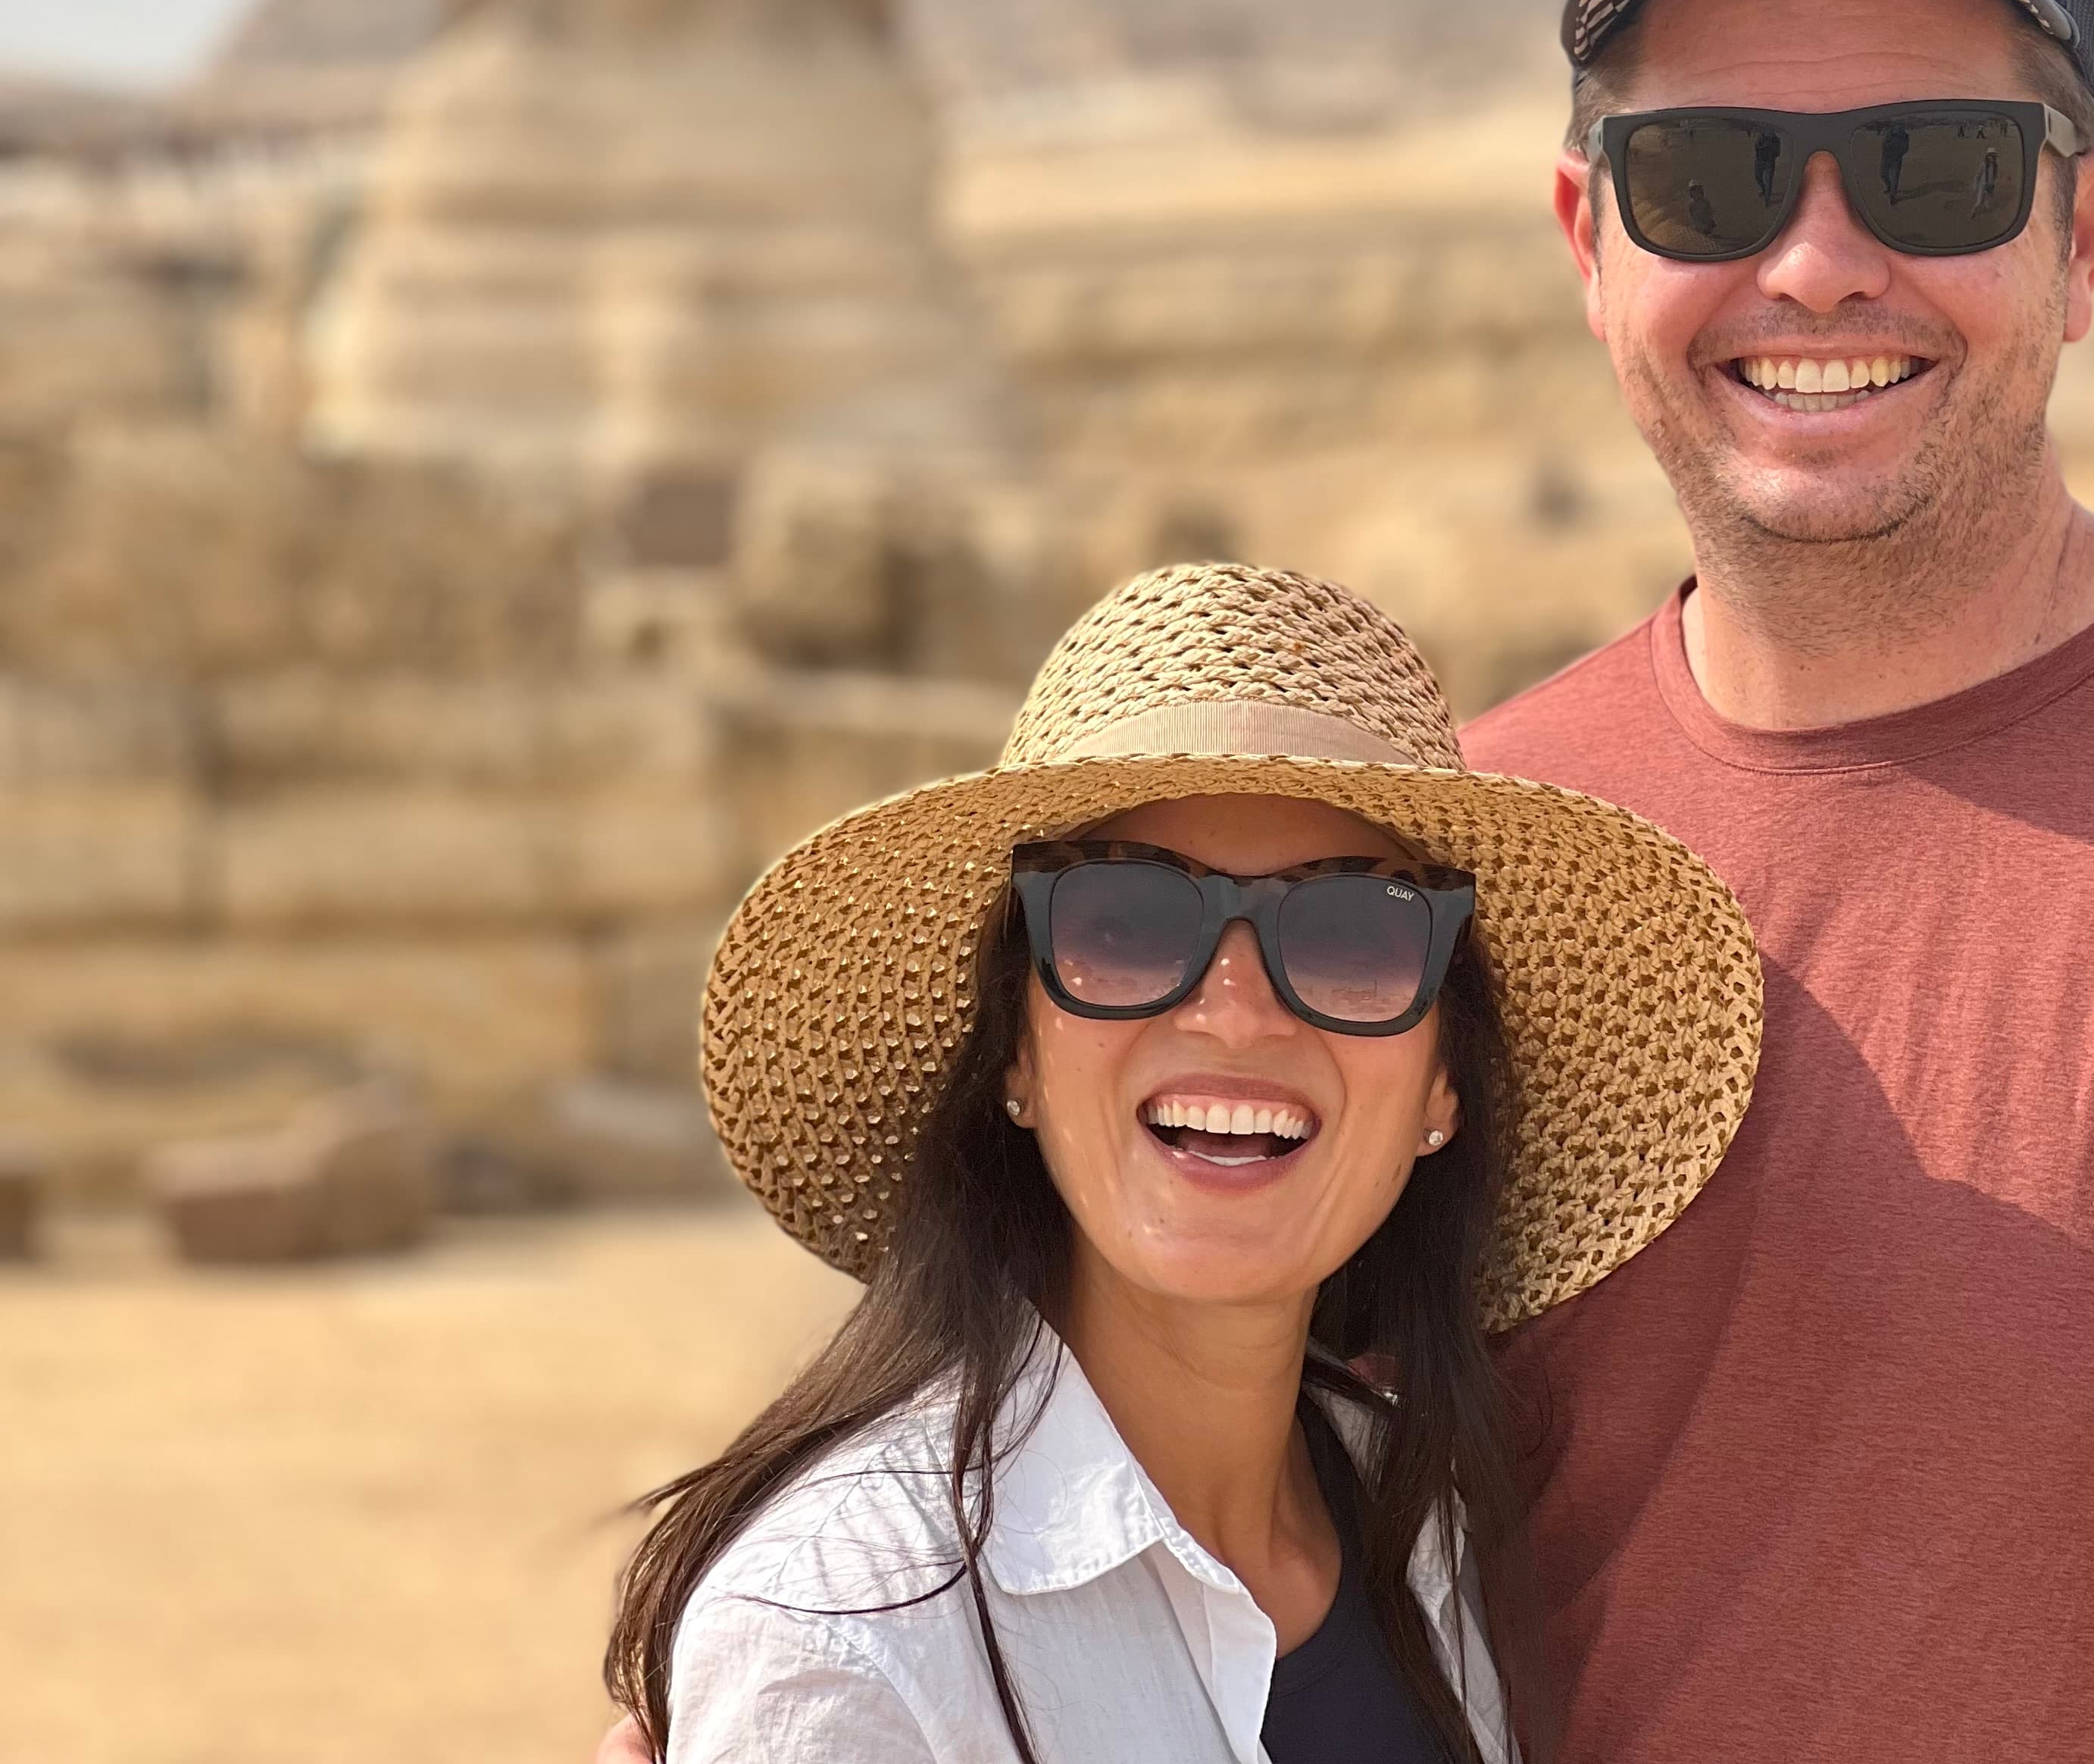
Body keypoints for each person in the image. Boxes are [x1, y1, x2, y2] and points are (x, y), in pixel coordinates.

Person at [1465, 0, 2094, 1757]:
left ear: (2083, 238)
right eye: (1709, 178)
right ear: (1590, 242)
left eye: (1928, 170)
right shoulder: (1441, 869)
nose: (1818, 261)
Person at [598, 558, 1759, 1761]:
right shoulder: (846, 1640)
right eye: (1126, 923)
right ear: (1017, 1055)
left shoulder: (1428, 1525)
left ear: (1443, 1088)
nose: (1236, 1012)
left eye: (1354, 934)